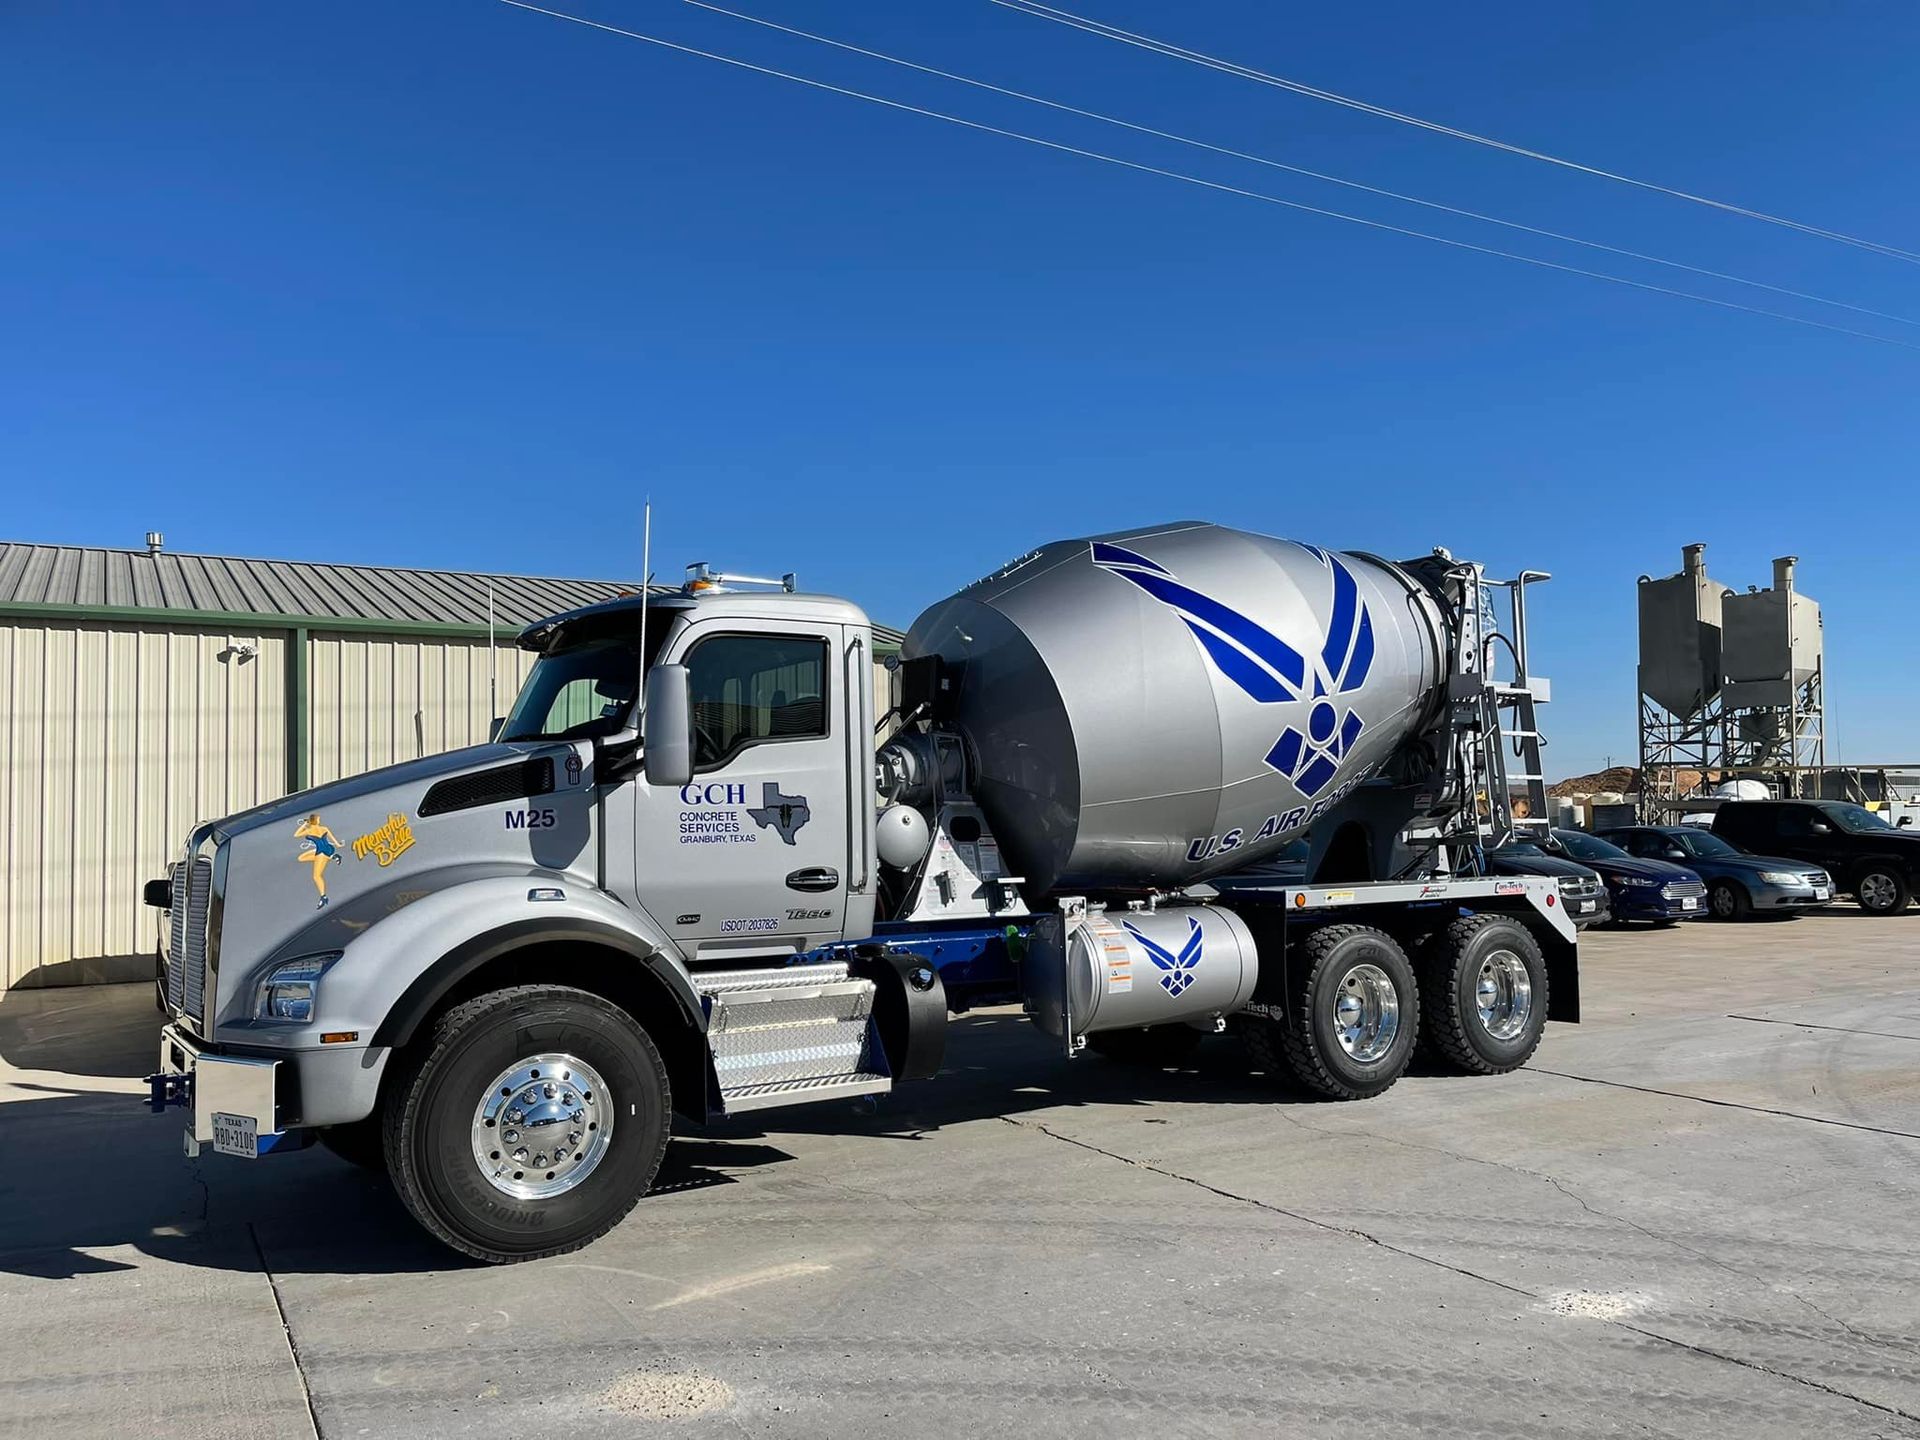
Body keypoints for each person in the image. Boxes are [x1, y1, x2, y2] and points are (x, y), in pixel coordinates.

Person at [294, 815, 343, 907]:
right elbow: (333, 839)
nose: (319, 820)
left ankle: (323, 897)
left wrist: (305, 824)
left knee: (316, 876)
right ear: (315, 821)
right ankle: (333, 856)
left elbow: (296, 834)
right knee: (301, 858)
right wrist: (338, 845)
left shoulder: (309, 830)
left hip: (322, 852)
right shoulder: (324, 828)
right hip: (328, 849)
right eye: (318, 819)